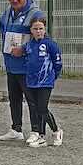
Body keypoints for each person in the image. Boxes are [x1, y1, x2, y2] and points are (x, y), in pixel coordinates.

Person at [0, 0, 45, 141]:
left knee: (32, 100)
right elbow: (3, 34)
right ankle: (16, 129)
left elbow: (41, 39)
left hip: (28, 66)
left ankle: (36, 131)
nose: (14, 0)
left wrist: (23, 50)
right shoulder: (6, 14)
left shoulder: (36, 14)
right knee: (14, 99)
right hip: (11, 65)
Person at [23, 17, 63, 148]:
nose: (38, 31)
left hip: (45, 82)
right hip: (31, 82)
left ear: (45, 29)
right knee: (35, 109)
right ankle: (41, 136)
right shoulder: (29, 45)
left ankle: (56, 131)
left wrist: (52, 77)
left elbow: (58, 63)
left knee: (42, 108)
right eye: (35, 29)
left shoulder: (50, 44)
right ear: (31, 30)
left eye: (41, 28)